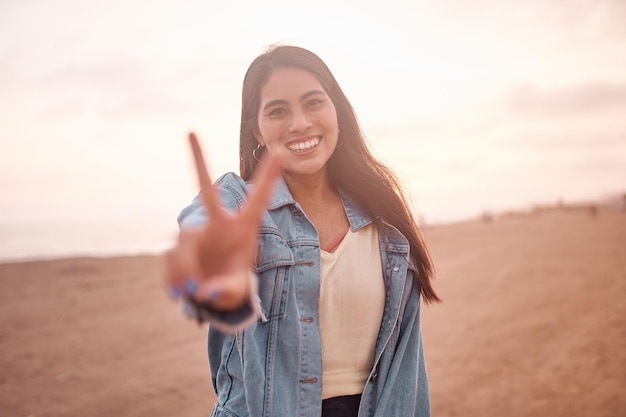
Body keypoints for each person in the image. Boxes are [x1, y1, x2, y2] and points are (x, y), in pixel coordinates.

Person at [164, 45, 441, 417]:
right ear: (256, 131)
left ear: (336, 111)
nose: (299, 123)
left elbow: (408, 368)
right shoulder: (239, 202)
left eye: (313, 103)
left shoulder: (384, 221)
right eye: (278, 111)